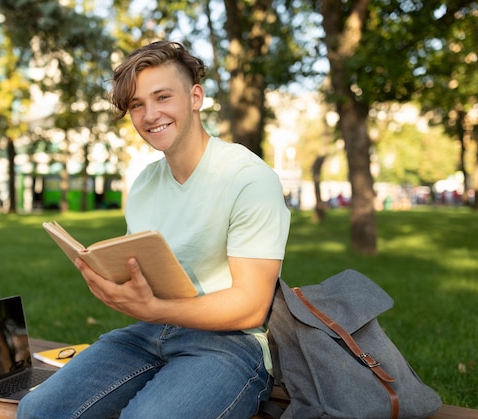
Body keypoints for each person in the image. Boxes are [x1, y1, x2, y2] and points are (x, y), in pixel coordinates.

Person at [17, 40, 290, 419]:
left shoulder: (248, 178)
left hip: (231, 344)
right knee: (38, 411)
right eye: (136, 105)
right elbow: (150, 275)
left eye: (162, 97)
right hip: (152, 333)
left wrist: (154, 307)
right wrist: (117, 287)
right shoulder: (145, 183)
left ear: (195, 97)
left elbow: (251, 306)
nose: (150, 115)